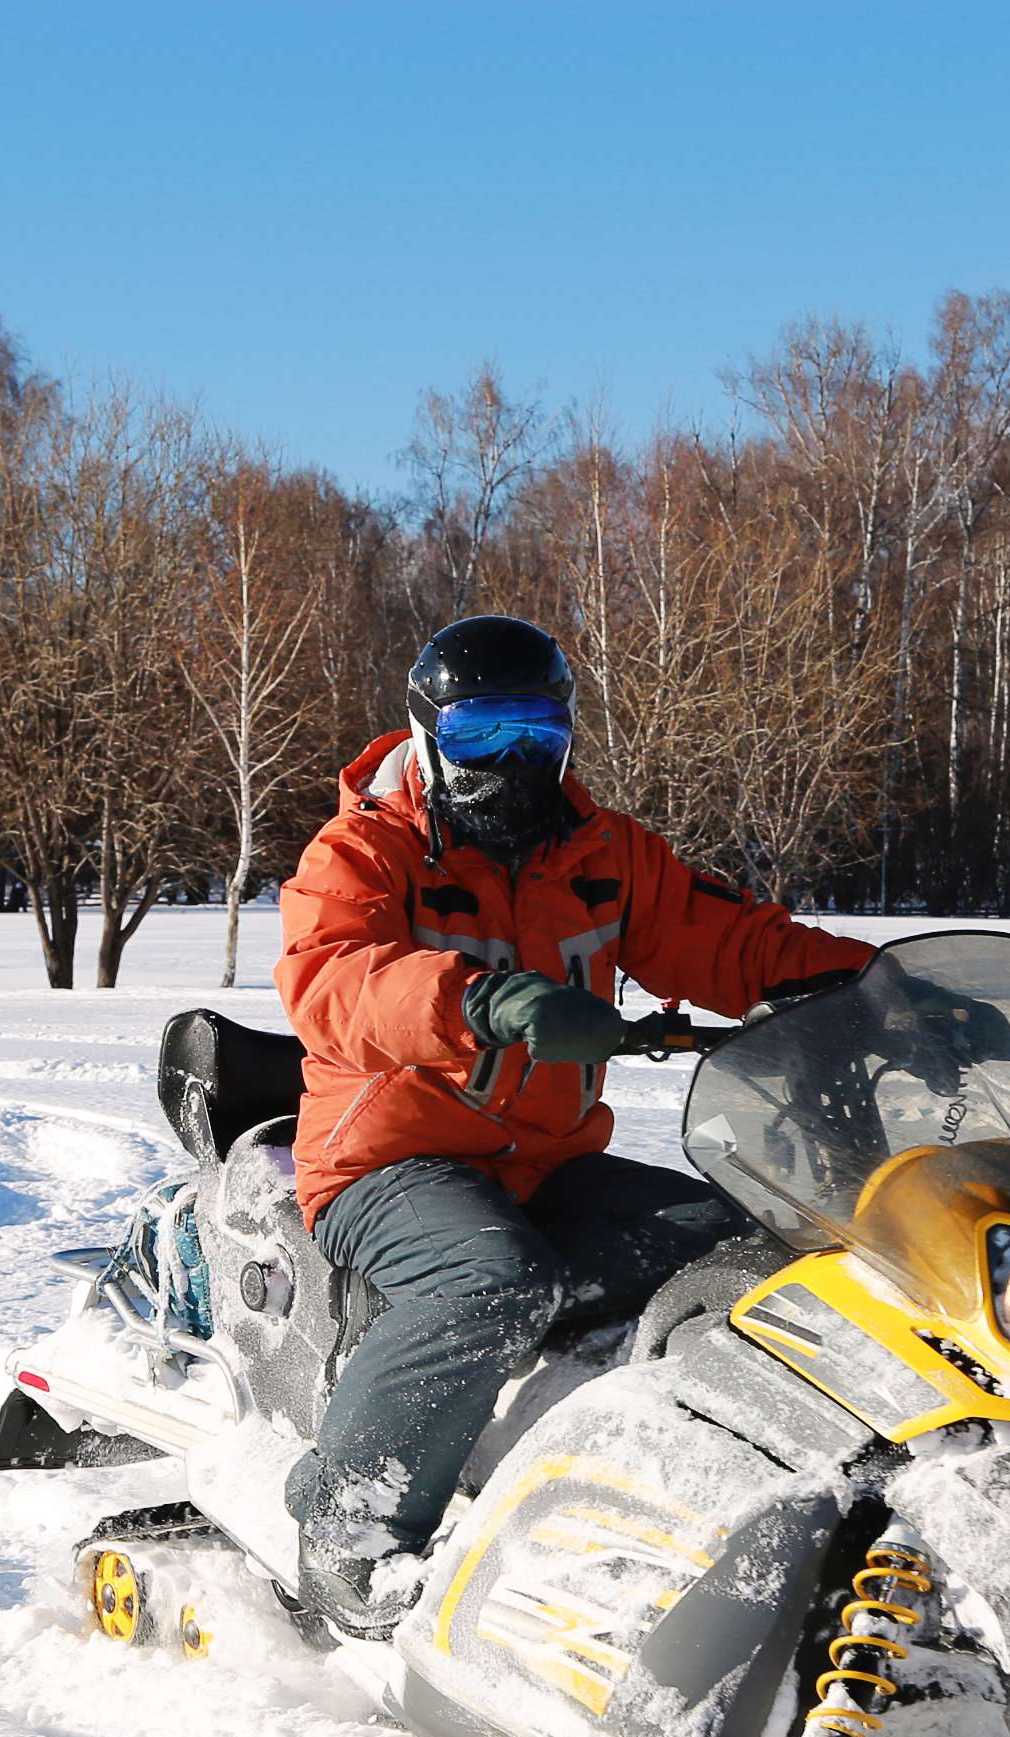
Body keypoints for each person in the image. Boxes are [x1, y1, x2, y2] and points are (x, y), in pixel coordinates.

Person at [274, 615, 875, 1636]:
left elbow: (727, 940)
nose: (509, 764)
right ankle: (350, 1533)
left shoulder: (604, 855)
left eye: (535, 735)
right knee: (492, 1278)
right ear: (426, 736)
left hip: (542, 1160)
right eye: (478, 736)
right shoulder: (364, 850)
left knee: (760, 1248)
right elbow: (329, 980)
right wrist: (479, 1001)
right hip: (387, 1161)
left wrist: (880, 984)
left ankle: (680, 1509)